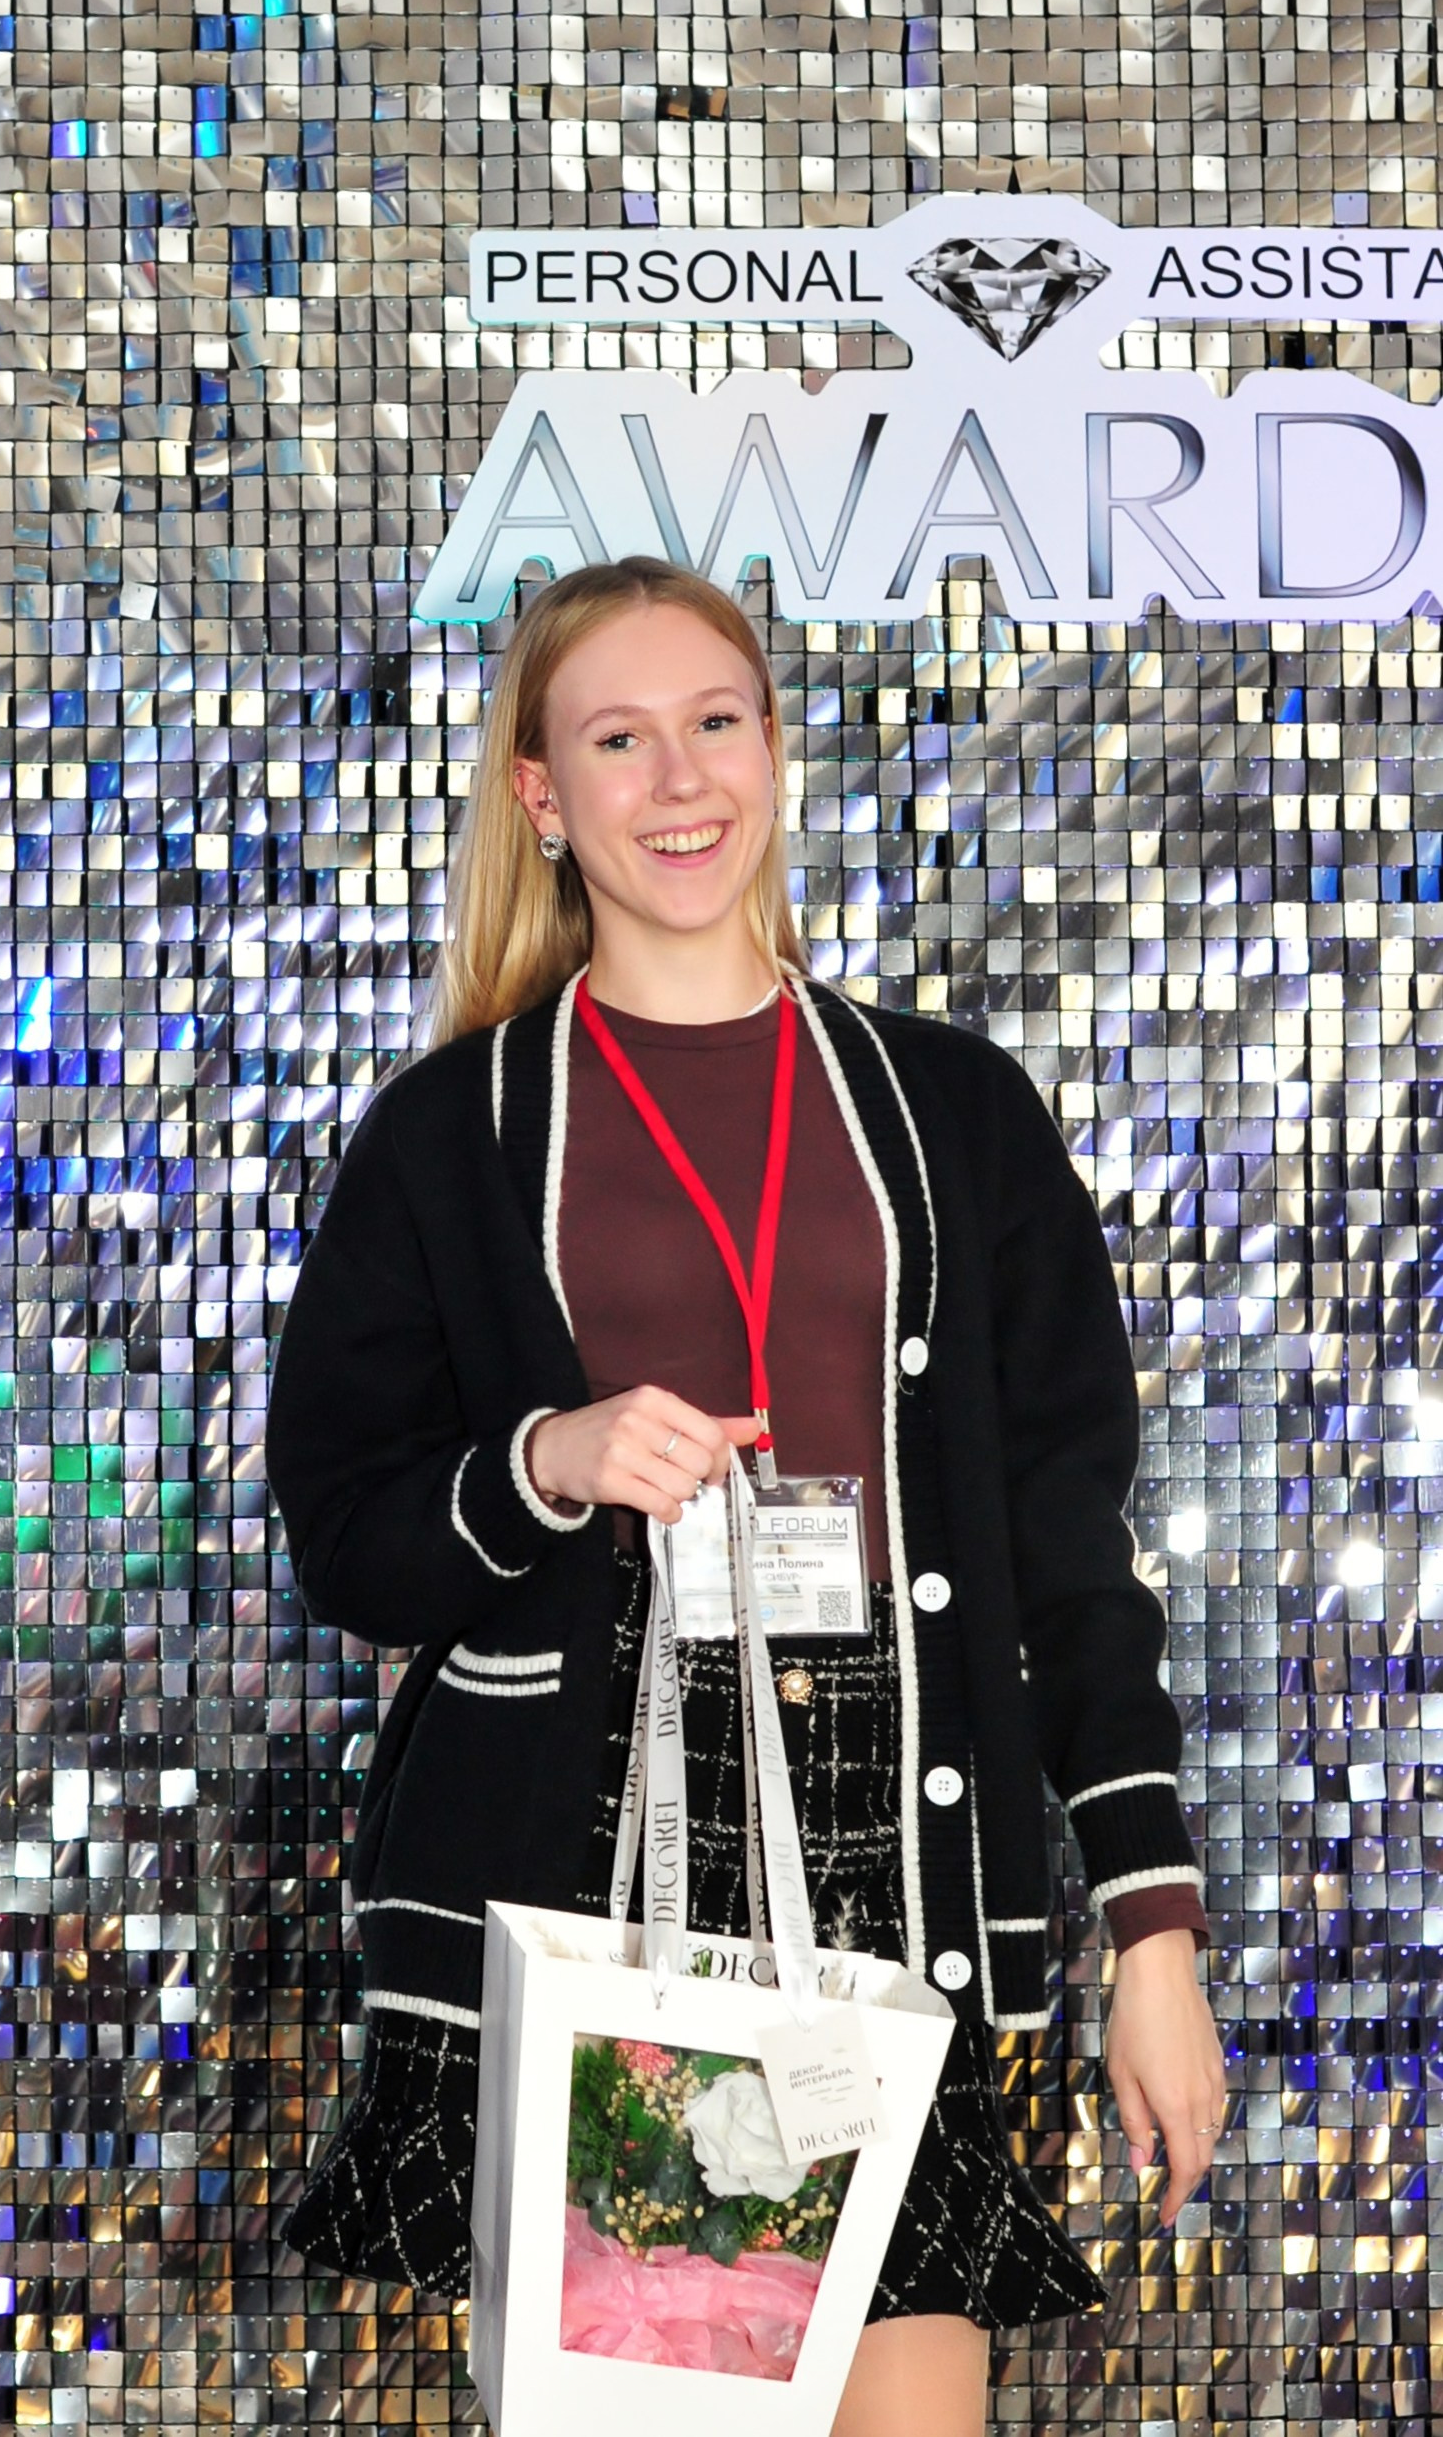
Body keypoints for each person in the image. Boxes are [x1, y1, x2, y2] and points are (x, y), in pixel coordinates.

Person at [265, 556, 1227, 2437]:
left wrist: (1152, 1931)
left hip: (899, 1864)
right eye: (616, 738)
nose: (679, 777)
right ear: (542, 793)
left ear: (775, 750)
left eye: (714, 721)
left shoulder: (953, 1112)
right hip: (584, 1869)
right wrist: (542, 1465)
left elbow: (1065, 1546)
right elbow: (350, 1539)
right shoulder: (453, 1134)